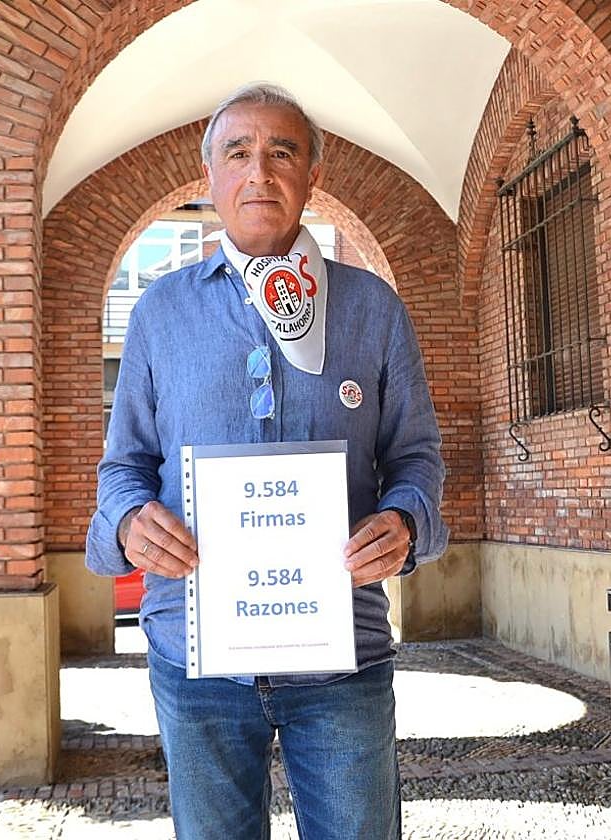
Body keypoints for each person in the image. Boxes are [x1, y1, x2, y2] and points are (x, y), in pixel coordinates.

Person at [85, 82, 449, 840]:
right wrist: (127, 524)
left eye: (282, 151)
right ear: (211, 176)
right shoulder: (160, 312)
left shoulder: (371, 309)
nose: (261, 171)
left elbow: (416, 457)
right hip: (195, 655)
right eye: (238, 153)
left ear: (314, 173)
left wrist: (406, 522)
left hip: (342, 656)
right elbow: (123, 467)